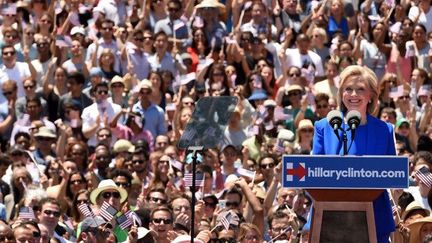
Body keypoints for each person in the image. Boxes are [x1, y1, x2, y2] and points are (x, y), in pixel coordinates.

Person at [313, 65, 396, 242]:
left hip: (375, 216)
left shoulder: (385, 130)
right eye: (348, 89)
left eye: (360, 89)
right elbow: (314, 173)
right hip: (330, 218)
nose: (353, 95)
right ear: (341, 93)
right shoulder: (323, 127)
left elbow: (392, 173)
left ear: (371, 95)